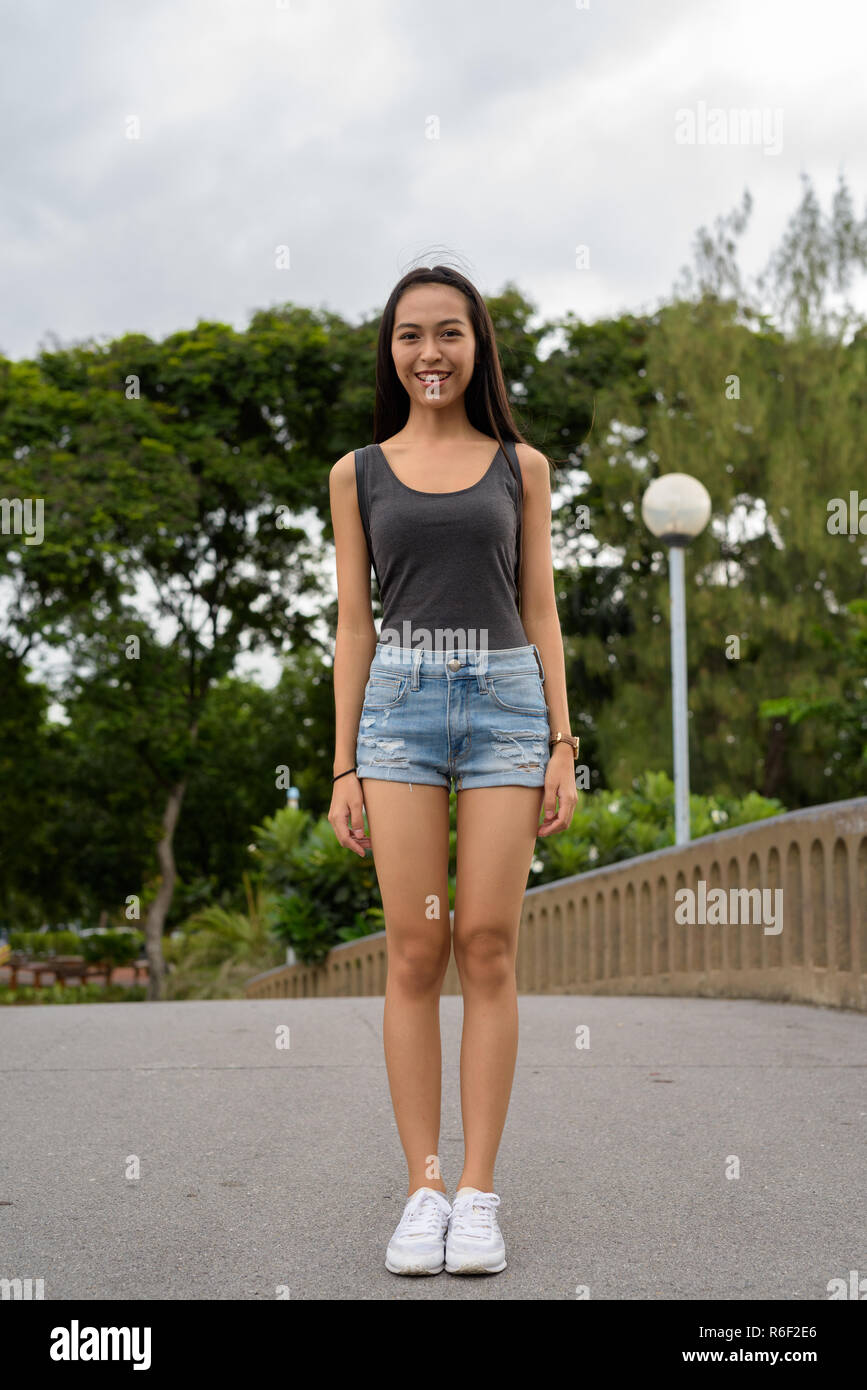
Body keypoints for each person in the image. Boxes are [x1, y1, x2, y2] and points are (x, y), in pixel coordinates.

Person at [328, 264, 578, 1275]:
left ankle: (479, 1193)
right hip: (399, 709)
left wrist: (563, 741)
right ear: (390, 353)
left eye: (449, 334)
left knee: (486, 943)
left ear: (478, 347)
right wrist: (341, 761)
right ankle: (423, 1185)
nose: (429, 353)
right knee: (414, 949)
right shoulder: (358, 473)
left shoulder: (522, 466)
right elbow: (354, 622)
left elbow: (543, 606)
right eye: (408, 337)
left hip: (509, 705)